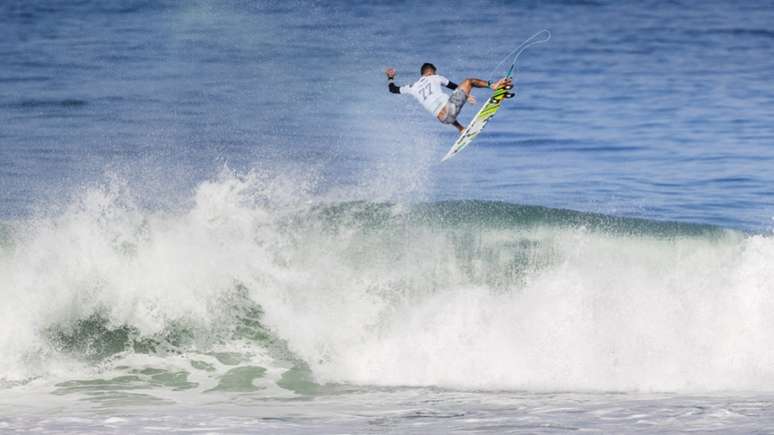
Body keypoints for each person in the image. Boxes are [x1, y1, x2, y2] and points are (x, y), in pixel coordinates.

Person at [385, 63, 512, 132]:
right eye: (435, 72)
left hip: (443, 120)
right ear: (430, 72)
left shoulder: (412, 87)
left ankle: (461, 128)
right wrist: (466, 95)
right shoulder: (435, 77)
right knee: (469, 81)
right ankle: (494, 85)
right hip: (450, 109)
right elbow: (454, 86)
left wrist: (390, 77)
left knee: (442, 105)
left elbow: (393, 89)